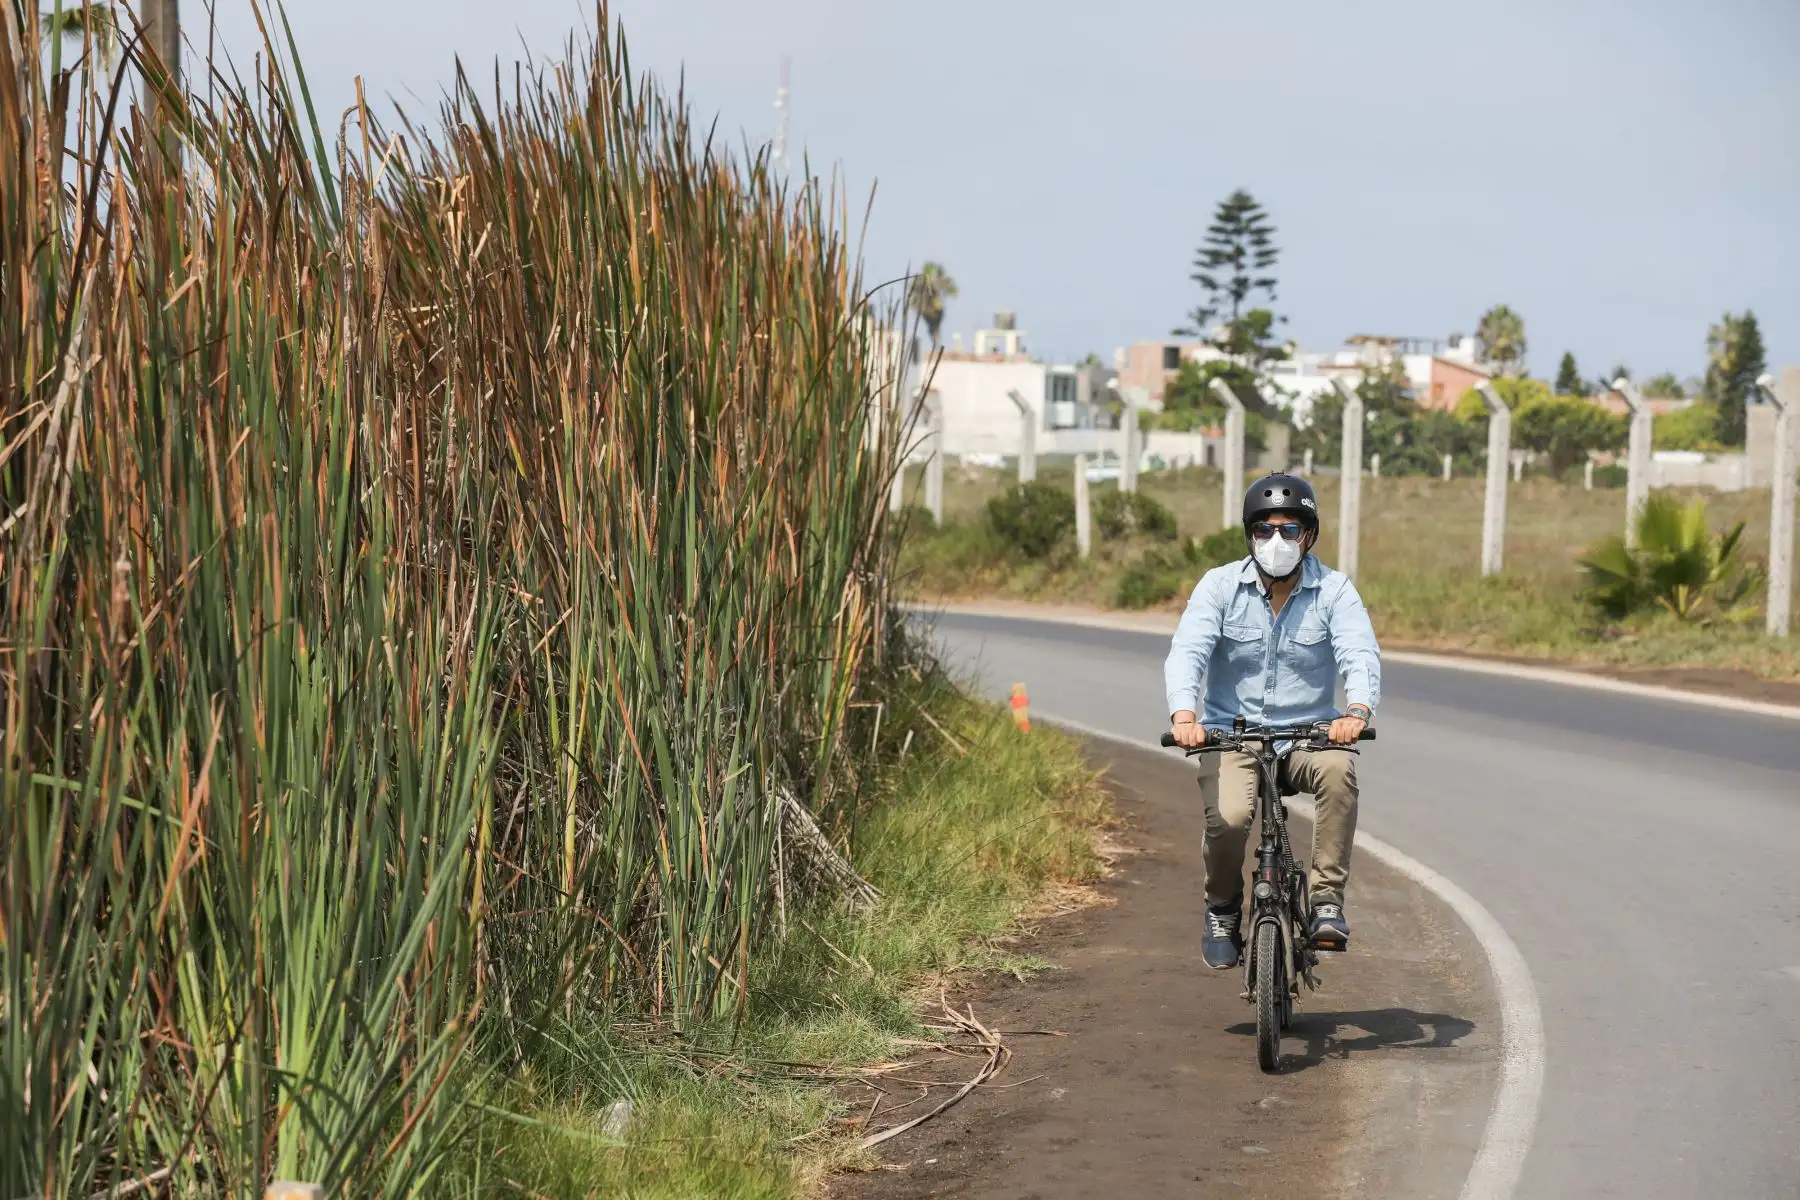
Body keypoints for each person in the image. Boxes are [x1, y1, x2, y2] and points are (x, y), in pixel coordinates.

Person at [1163, 473, 1381, 968]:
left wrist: (1355, 712)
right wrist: (1184, 715)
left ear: (1309, 535)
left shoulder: (1334, 590)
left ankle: (1326, 901)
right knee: (1231, 818)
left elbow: (1358, 653)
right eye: (1264, 530)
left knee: (1338, 772)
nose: (1276, 541)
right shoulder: (1218, 586)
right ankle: (1221, 909)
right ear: (1249, 535)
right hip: (1231, 737)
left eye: (1289, 529)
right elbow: (1188, 651)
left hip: (1308, 737)